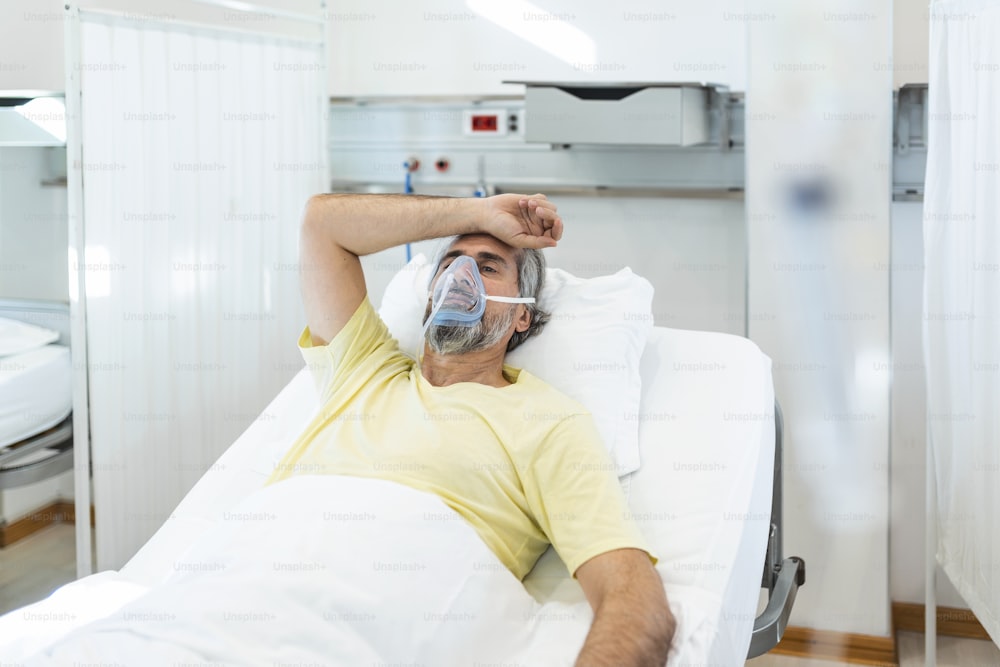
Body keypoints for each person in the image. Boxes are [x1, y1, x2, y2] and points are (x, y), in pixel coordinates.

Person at [268, 192, 676, 665]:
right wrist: (479, 212)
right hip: (262, 572)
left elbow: (637, 603)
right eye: (452, 263)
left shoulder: (547, 422)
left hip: (373, 618)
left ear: (523, 314)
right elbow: (322, 222)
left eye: (487, 267)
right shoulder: (362, 365)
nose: (461, 278)